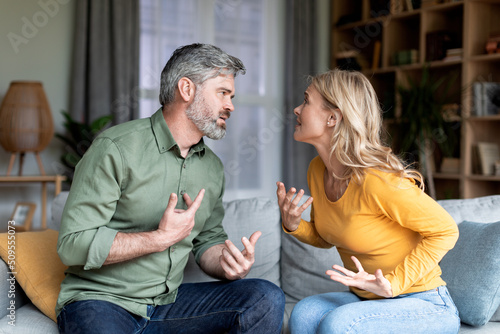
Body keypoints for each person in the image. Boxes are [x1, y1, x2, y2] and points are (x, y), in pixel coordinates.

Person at [56, 43, 285, 334]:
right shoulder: (115, 148)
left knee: (264, 297)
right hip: (101, 300)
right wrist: (158, 239)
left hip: (169, 304)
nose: (231, 106)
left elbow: (208, 241)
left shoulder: (212, 168)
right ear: (186, 89)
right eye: (223, 93)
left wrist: (227, 264)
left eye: (232, 96)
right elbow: (72, 245)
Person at [276, 68, 460, 334]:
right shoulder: (318, 170)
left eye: (306, 101)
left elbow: (446, 230)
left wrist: (394, 284)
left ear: (332, 118)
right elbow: (327, 236)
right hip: (367, 299)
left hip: (423, 301)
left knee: (339, 325)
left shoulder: (377, 180)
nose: (296, 109)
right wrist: (294, 225)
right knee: (303, 314)